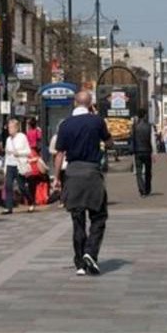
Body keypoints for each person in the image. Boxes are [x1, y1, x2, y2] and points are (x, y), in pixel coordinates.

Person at [53, 90, 111, 276]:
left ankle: (80, 263)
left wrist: (56, 178)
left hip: (72, 173)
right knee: (99, 216)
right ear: (90, 103)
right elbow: (108, 142)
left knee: (77, 220)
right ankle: (90, 252)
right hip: (92, 173)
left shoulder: (65, 125)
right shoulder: (96, 121)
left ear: (74, 103)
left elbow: (59, 154)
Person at [1, 118, 33, 215]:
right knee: (8, 186)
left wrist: (18, 153)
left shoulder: (22, 137)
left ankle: (30, 201)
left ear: (16, 128)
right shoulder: (8, 139)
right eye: (8, 127)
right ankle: (8, 207)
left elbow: (28, 151)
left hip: (19, 165)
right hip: (10, 165)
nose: (9, 129)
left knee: (21, 186)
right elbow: (7, 154)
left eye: (11, 127)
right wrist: (5, 167)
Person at [130, 109, 154, 197]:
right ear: (144, 115)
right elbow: (152, 140)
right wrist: (154, 152)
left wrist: (132, 150)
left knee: (139, 172)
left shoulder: (134, 126)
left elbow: (132, 139)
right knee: (148, 171)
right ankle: (148, 189)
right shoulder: (149, 126)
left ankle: (142, 190)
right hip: (147, 151)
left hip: (138, 151)